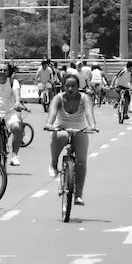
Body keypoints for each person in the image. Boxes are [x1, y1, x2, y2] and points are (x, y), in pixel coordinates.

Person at [44, 74, 98, 206]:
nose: (70, 88)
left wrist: (92, 126)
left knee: (81, 161)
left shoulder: (84, 98)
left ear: (78, 87)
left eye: (73, 86)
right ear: (63, 87)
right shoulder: (58, 98)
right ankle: (54, 163)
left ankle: (78, 195)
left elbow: (89, 114)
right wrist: (49, 124)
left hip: (80, 129)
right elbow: (52, 114)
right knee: (60, 135)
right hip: (61, 128)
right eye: (67, 85)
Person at [0, 63, 26, 167]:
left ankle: (15, 156)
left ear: (8, 72)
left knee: (17, 127)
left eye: (5, 70)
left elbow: (17, 94)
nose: (2, 72)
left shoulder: (13, 82)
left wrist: (17, 103)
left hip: (10, 112)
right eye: (0, 70)